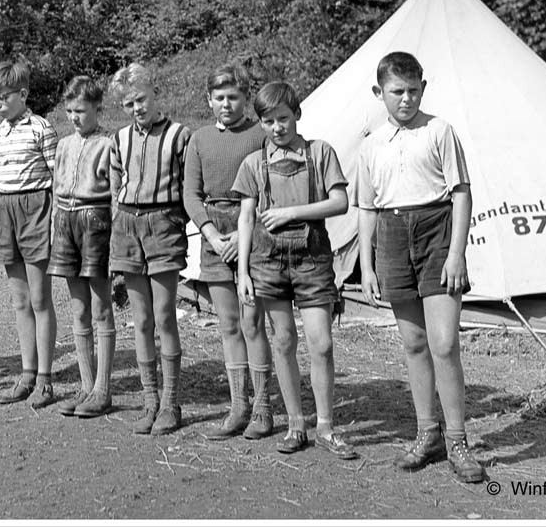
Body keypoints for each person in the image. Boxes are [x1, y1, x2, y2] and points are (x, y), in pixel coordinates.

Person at [356, 51, 486, 483]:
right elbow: (366, 208)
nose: (406, 99)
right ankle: (426, 433)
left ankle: (457, 441)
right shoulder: (371, 145)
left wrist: (457, 252)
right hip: (392, 237)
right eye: (397, 92)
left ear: (423, 89)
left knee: (444, 343)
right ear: (380, 93)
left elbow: (462, 194)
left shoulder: (439, 130)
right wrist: (367, 265)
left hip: (436, 233)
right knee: (413, 343)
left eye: (413, 90)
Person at [234, 81, 358, 458]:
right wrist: (242, 272)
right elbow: (245, 218)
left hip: (313, 258)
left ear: (297, 115)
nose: (277, 127)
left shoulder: (320, 154)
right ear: (261, 123)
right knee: (284, 341)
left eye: (283, 118)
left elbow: (340, 202)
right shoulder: (254, 164)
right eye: (269, 121)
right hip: (267, 261)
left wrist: (292, 212)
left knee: (321, 342)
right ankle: (295, 424)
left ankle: (326, 427)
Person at [182, 64, 275, 440]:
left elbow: (270, 186)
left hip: (251, 228)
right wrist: (210, 232)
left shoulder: (259, 134)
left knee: (252, 321)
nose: (226, 104)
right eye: (219, 98)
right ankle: (239, 405)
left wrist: (242, 234)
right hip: (214, 234)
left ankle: (264, 407)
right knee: (228, 323)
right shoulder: (200, 139)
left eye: (233, 97)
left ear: (245, 98)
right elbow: (190, 193)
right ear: (208, 101)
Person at [109, 63, 191, 435]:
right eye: (129, 104)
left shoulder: (180, 136)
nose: (137, 108)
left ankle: (171, 402)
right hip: (127, 225)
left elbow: (191, 187)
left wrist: (177, 222)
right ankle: (150, 400)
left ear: (155, 93)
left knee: (164, 315)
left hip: (163, 224)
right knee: (140, 320)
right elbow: (115, 186)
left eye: (141, 99)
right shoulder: (119, 139)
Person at [0, 60, 59, 408]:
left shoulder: (42, 128)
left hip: (36, 209)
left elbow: (57, 176)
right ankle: (27, 373)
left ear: (23, 94)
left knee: (40, 298)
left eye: (4, 96)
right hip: (7, 209)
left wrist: (55, 216)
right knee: (19, 301)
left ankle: (45, 379)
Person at [49, 76, 116, 418]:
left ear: (97, 109)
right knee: (78, 309)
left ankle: (103, 389)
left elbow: (116, 195)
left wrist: (116, 238)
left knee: (101, 307)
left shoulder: (108, 143)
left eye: (82, 111)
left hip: (95, 220)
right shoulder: (63, 145)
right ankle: (86, 385)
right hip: (65, 221)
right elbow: (54, 189)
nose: (75, 117)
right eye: (70, 111)